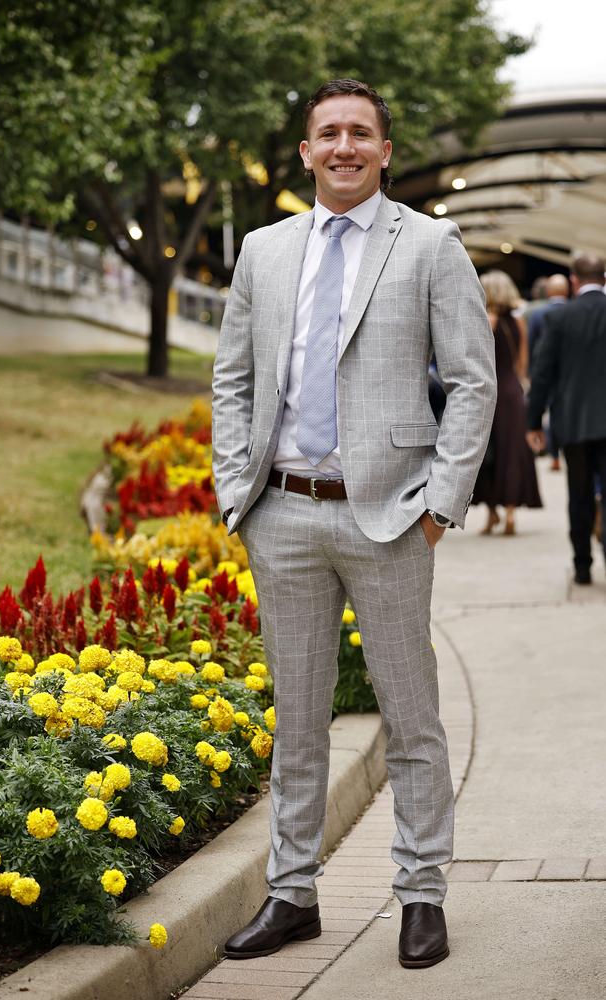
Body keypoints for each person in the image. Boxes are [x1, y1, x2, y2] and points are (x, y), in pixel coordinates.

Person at [212, 78, 497, 970]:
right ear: (305, 153)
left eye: (359, 133)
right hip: (283, 516)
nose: (343, 146)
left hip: (390, 521)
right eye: (327, 133)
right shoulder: (262, 249)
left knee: (411, 716)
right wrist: (237, 495)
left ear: (383, 150)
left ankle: (421, 893)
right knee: (297, 720)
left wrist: (440, 506)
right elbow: (233, 379)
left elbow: (473, 383)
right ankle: (291, 894)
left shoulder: (430, 245)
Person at [527, 252, 606, 585]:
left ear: (575, 280)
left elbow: (542, 374)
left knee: (579, 494)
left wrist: (533, 422)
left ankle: (583, 565)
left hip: (573, 421)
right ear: (603, 277)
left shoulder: (560, 319)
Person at [471, 270, 542, 534]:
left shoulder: (487, 320)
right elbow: (522, 362)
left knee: (488, 453)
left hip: (491, 392)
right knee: (512, 452)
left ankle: (492, 514)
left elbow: (479, 358)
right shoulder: (519, 321)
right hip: (513, 392)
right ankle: (511, 514)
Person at [527, 274, 570, 471]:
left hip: (545, 373)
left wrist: (530, 372)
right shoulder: (573, 310)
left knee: (551, 414)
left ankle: (554, 455)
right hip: (570, 374)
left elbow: (531, 344)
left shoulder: (538, 314)